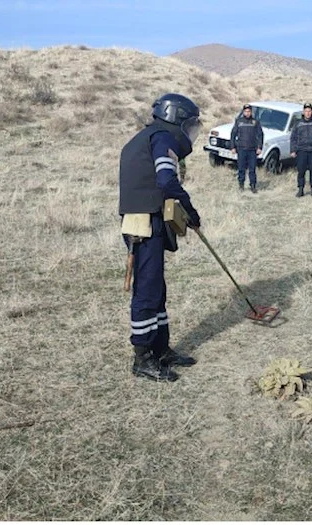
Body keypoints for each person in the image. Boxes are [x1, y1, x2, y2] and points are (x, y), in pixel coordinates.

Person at [119, 93, 203, 382]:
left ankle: (161, 348)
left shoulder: (147, 136)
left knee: (157, 289)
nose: (190, 133)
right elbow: (166, 180)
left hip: (146, 219)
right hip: (143, 223)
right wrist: (190, 212)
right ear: (176, 119)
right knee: (146, 291)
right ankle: (142, 358)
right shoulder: (163, 139)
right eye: (189, 125)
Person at [290, 103, 312, 197]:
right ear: (303, 112)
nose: (308, 113)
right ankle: (301, 189)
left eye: (309, 111)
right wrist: (293, 150)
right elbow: (293, 137)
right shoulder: (298, 123)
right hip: (301, 150)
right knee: (301, 171)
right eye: (306, 111)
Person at [230, 104, 264, 193]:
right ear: (243, 112)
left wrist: (259, 147)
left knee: (252, 169)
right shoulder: (239, 121)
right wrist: (232, 147)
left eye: (249, 111)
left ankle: (253, 186)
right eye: (245, 111)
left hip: (252, 150)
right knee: (241, 168)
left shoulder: (255, 122)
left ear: (251, 112)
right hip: (241, 149)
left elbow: (260, 135)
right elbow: (233, 134)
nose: (247, 113)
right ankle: (241, 185)